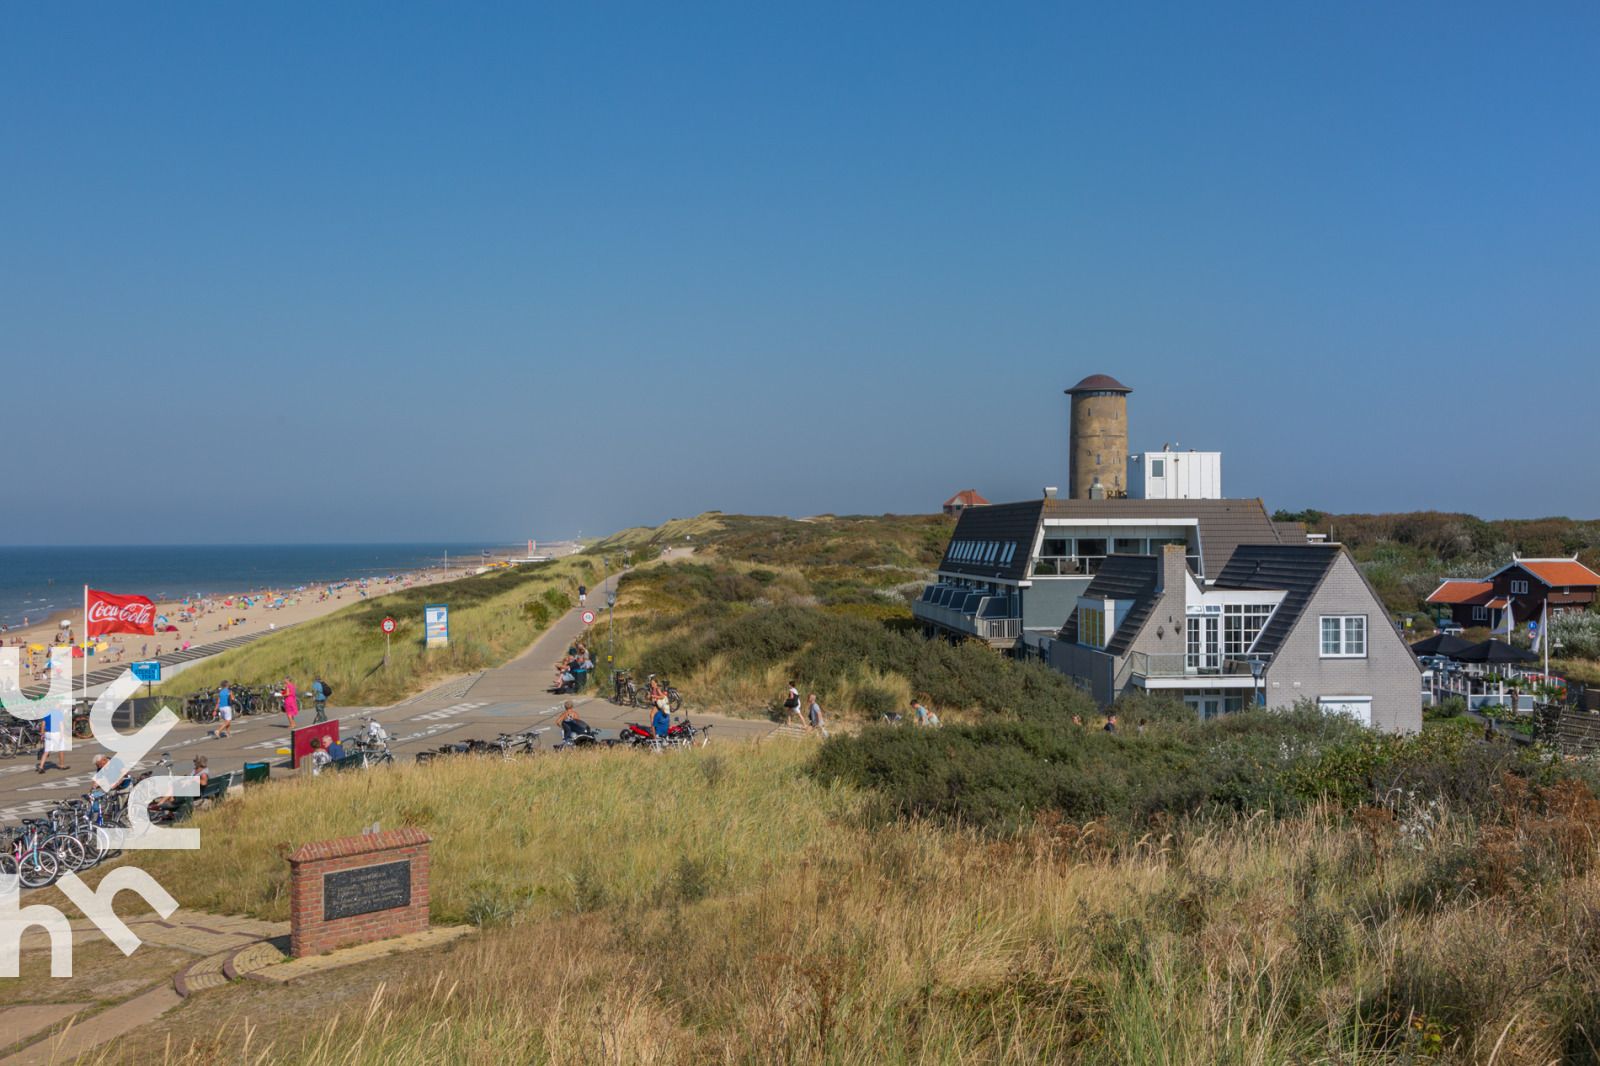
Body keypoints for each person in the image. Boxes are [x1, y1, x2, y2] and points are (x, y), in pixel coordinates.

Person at [37, 703, 69, 773]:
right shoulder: (58, 713)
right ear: (56, 706)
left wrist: (42, 734)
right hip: (56, 733)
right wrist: (62, 735)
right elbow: (61, 725)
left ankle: (41, 766)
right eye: (59, 705)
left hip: (48, 733)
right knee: (61, 749)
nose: (60, 706)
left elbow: (43, 724)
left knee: (46, 751)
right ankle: (62, 765)